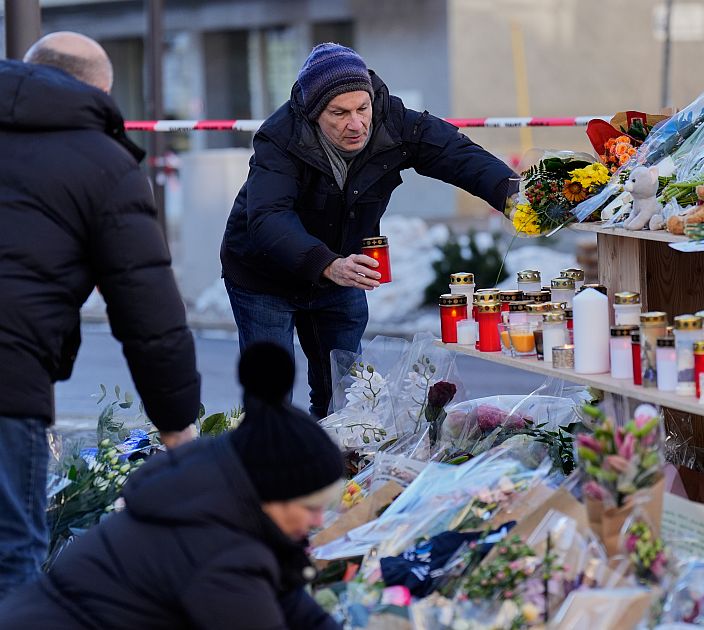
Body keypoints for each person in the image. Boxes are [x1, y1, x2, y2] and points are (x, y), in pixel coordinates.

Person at [0, 32, 201, 600]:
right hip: (8, 379)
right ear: (100, 91)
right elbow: (148, 314)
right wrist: (178, 430)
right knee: (10, 557)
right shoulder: (103, 163)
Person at [221, 42, 517, 417]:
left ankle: (339, 469)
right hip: (264, 275)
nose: (356, 123)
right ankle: (273, 468)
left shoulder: (393, 120)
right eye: (339, 113)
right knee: (270, 395)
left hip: (341, 271)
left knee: (346, 393)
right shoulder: (279, 138)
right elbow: (267, 219)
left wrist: (512, 193)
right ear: (314, 114)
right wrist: (327, 263)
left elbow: (454, 154)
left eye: (362, 108)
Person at [0, 343, 343, 629]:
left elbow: (289, 598)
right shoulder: (220, 552)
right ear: (269, 497)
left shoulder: (216, 498)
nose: (317, 522)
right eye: (311, 508)